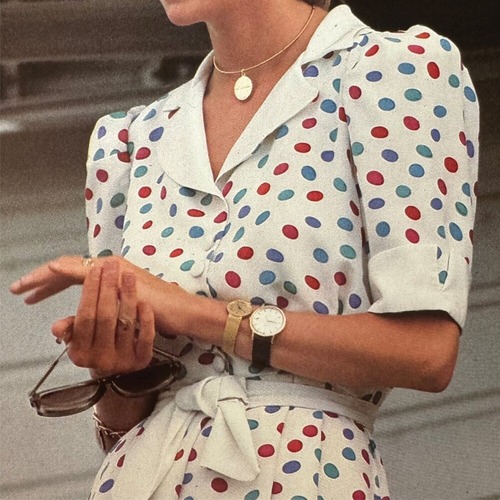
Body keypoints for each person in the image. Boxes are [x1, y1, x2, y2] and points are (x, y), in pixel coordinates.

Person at [10, 0, 479, 498]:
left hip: (305, 475)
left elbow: (426, 354)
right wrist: (112, 370)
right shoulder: (129, 139)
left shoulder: (393, 70)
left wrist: (195, 314)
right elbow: (123, 426)